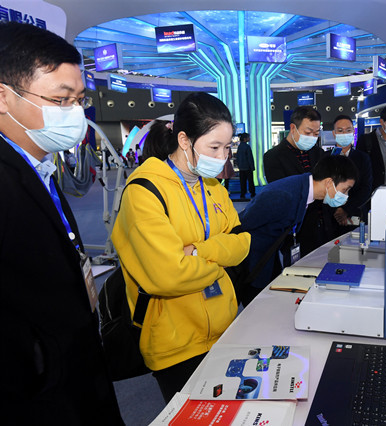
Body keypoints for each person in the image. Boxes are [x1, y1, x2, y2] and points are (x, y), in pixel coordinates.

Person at [0, 21, 123, 424]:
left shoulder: (40, 167)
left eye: (79, 100)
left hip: (76, 371)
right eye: (60, 99)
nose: (75, 113)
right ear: (4, 96)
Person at [112, 92, 251, 403]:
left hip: (225, 328)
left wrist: (198, 252)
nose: (223, 156)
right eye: (214, 147)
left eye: (227, 147)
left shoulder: (212, 186)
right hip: (175, 343)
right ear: (184, 140)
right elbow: (168, 276)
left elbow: (243, 242)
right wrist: (221, 257)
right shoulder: (144, 191)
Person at [237, 155, 358, 306]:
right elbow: (243, 224)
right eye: (345, 190)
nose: (345, 196)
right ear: (329, 182)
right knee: (255, 309)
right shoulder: (283, 195)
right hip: (253, 264)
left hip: (270, 257)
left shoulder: (303, 191)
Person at [263, 106, 331, 256]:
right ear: (293, 128)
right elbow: (282, 194)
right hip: (295, 229)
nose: (312, 137)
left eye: (316, 133)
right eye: (308, 132)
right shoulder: (273, 157)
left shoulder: (318, 153)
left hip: (322, 225)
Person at [331, 115, 373, 235]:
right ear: (334, 133)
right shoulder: (325, 158)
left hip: (356, 214)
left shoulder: (363, 158)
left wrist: (346, 210)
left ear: (353, 132)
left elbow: (366, 188)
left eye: (348, 130)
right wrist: (337, 211)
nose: (344, 134)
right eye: (340, 130)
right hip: (331, 218)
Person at [236, 132, 256, 199]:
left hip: (241, 168)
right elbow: (250, 158)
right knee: (250, 181)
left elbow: (237, 157)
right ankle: (252, 193)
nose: (249, 138)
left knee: (242, 181)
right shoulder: (247, 147)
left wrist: (239, 165)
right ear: (245, 139)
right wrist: (252, 167)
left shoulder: (239, 146)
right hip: (248, 167)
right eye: (248, 137)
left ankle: (242, 194)